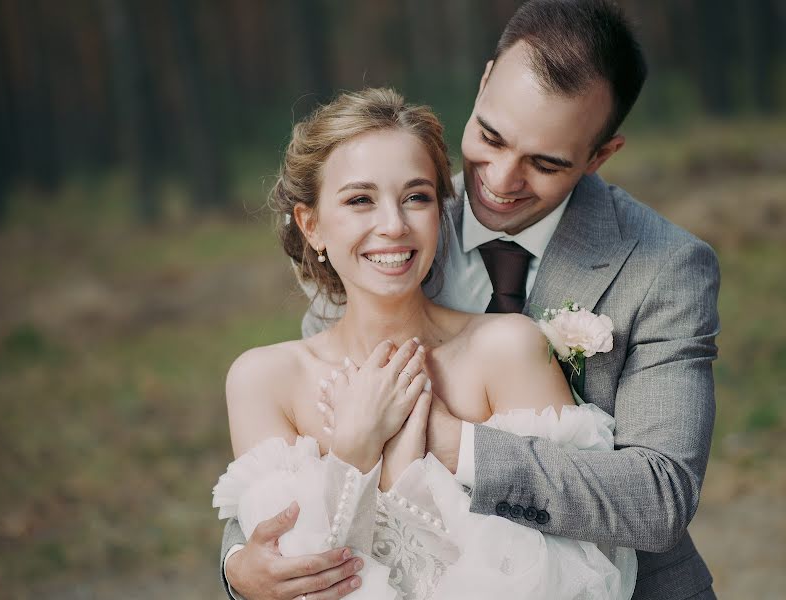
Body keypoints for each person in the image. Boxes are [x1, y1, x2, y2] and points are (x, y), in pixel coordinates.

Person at [220, 1, 719, 599]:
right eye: (489, 136)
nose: (500, 180)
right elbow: (282, 483)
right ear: (484, 84)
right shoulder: (389, 242)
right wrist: (238, 571)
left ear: (599, 156)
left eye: (544, 162)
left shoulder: (664, 268)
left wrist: (448, 438)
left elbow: (659, 498)